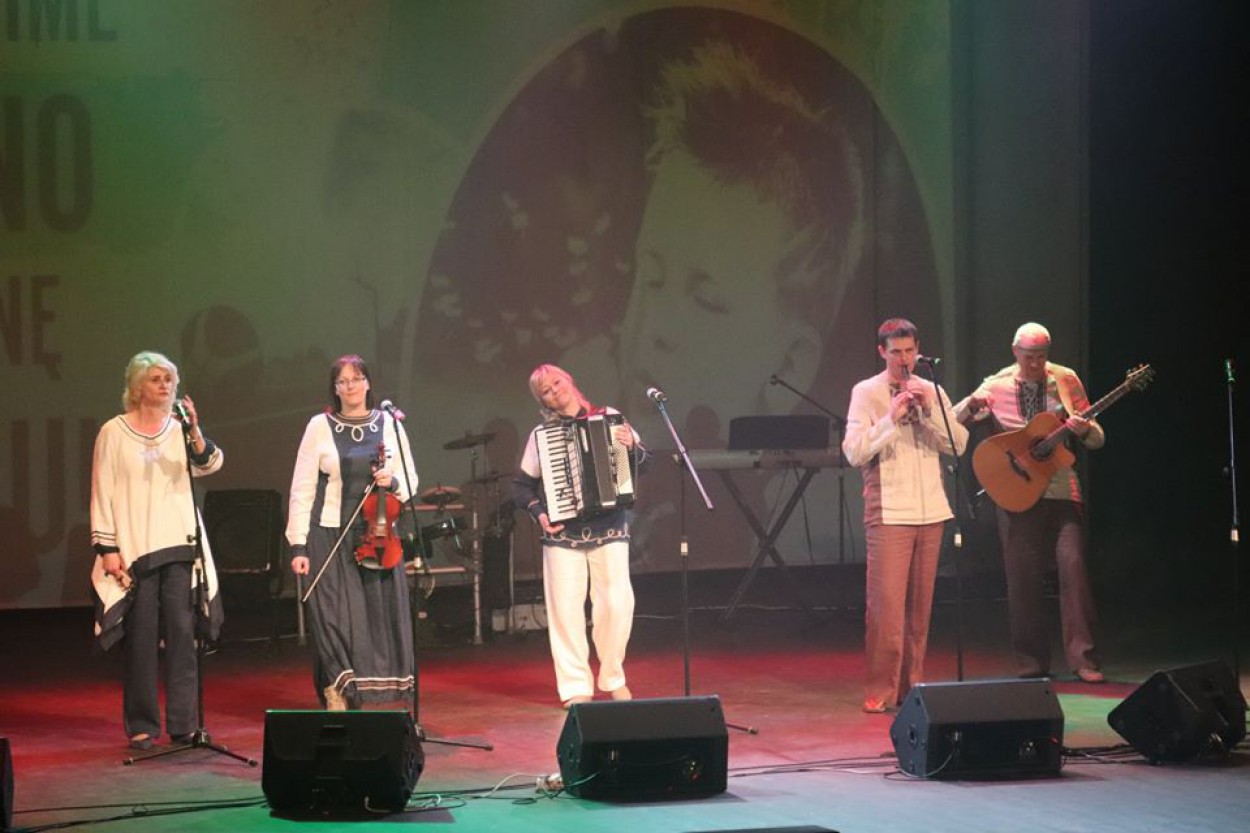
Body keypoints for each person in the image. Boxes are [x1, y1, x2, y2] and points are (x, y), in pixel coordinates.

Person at [953, 322, 1105, 683]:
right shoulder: (996, 384)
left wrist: (1085, 429)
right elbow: (955, 419)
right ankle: (1031, 662)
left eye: (1041, 356)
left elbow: (1097, 437)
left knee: (1073, 568)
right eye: (1028, 357)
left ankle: (1084, 660)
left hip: (1061, 489)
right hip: (1016, 493)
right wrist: (971, 405)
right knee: (1022, 578)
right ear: (1015, 352)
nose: (1035, 364)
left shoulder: (1065, 380)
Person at [90, 351, 224, 750]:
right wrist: (108, 548)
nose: (165, 385)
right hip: (136, 549)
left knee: (183, 637)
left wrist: (195, 430)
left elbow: (209, 464)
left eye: (169, 379)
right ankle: (142, 724)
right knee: (141, 640)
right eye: (155, 379)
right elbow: (102, 489)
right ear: (137, 387)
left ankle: (184, 722)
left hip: (180, 544)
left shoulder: (179, 429)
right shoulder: (113, 432)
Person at [842, 319, 968, 713]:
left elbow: (959, 444)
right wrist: (890, 418)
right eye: (895, 352)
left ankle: (912, 688)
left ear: (918, 350)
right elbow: (854, 451)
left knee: (919, 611)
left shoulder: (933, 390)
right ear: (882, 352)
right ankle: (880, 690)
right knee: (887, 609)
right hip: (890, 511)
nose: (904, 359)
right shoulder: (866, 392)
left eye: (909, 351)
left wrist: (929, 411)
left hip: (931, 509)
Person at [286, 354, 418, 710]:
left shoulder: (390, 424)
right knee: (332, 617)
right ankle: (336, 687)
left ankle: (362, 691)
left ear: (368, 383)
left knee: (371, 617)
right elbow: (302, 487)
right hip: (328, 533)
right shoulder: (319, 426)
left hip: (377, 534)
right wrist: (298, 545)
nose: (350, 386)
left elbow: (410, 480)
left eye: (356, 379)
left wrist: (393, 482)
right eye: (343, 381)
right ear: (335, 388)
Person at [511, 364, 647, 708]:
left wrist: (632, 445)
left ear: (569, 380)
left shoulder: (610, 417)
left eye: (556, 382)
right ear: (542, 401)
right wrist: (540, 514)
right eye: (546, 391)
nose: (554, 391)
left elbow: (642, 465)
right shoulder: (541, 436)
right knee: (566, 612)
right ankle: (575, 687)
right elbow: (521, 486)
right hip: (563, 535)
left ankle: (613, 677)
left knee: (617, 605)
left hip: (610, 525)